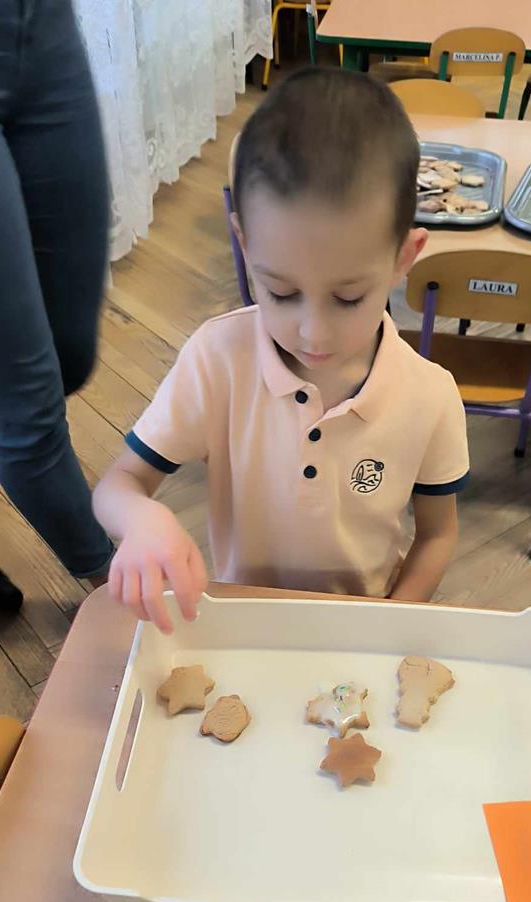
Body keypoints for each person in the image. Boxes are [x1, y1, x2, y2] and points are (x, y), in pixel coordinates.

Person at [94, 67, 469, 635]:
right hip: (245, 627)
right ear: (244, 244)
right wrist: (142, 519)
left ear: (404, 257)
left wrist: (391, 621)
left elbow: (438, 534)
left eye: (348, 297)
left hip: (359, 625)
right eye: (280, 292)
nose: (313, 333)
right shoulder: (218, 359)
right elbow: (119, 484)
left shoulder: (430, 395)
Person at [0, 0, 114, 612]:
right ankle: (119, 593)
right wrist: (134, 586)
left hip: (40, 22)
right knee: (25, 408)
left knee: (69, 355)